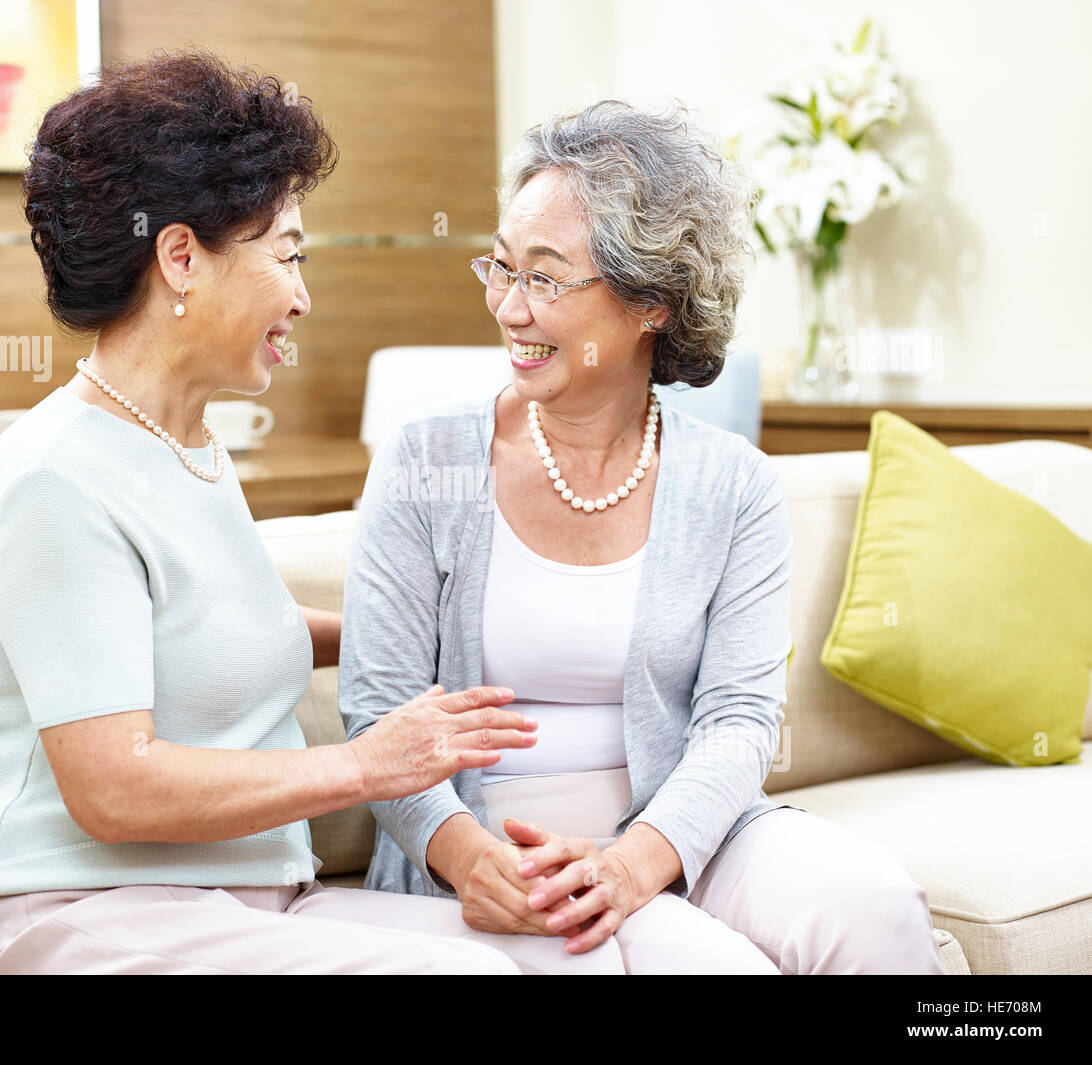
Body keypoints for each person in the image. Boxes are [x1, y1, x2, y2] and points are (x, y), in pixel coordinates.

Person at [0, 47, 608, 975]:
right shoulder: (55, 478)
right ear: (181, 255)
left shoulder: (186, 444)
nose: (302, 296)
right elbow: (114, 787)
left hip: (249, 904)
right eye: (287, 253)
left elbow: (214, 630)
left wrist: (428, 627)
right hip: (86, 911)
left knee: (579, 955)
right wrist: (373, 763)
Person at [338, 99, 947, 974]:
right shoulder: (425, 461)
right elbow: (377, 703)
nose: (508, 307)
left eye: (546, 278)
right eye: (501, 268)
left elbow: (740, 719)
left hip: (682, 827)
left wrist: (634, 862)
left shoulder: (731, 482)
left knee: (873, 909)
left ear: (651, 303)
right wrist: (468, 856)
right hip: (494, 847)